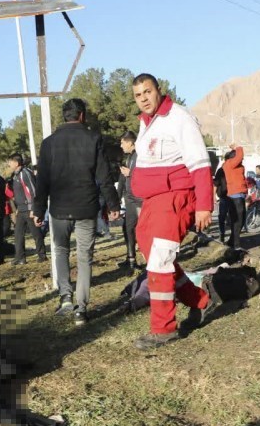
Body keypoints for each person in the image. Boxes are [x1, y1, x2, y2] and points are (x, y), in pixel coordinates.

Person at [127, 74, 218, 349]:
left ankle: (163, 328)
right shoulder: (146, 123)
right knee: (154, 257)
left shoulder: (179, 118)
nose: (143, 98)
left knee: (159, 261)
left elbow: (200, 164)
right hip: (152, 203)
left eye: (147, 91)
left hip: (175, 199)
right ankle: (202, 301)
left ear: (158, 91)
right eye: (138, 94)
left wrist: (204, 205)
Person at [32, 97, 121, 326]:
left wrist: (38, 209)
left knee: (60, 251)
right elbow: (104, 176)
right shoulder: (93, 138)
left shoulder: (49, 143)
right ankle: (81, 309)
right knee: (84, 258)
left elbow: (42, 181)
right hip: (86, 207)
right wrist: (113, 205)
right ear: (82, 116)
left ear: (66, 116)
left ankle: (65, 298)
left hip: (59, 209)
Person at [7, 153, 47, 265]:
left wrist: (33, 209)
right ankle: (20, 257)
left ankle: (42, 255)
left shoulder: (25, 173)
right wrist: (18, 207)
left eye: (10, 161)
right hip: (21, 209)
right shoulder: (15, 175)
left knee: (36, 233)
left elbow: (33, 191)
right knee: (18, 234)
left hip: (29, 209)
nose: (9, 164)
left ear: (16, 163)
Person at [117, 131, 142, 269]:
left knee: (137, 229)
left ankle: (140, 259)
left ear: (130, 142)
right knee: (127, 227)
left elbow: (147, 174)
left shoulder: (140, 156)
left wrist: (131, 173)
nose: (121, 146)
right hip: (130, 198)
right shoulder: (129, 157)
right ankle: (130, 258)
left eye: (122, 142)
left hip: (138, 199)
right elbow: (122, 178)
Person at [221, 144, 247, 250]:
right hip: (235, 197)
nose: (242, 159)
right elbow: (240, 155)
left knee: (239, 221)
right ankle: (236, 246)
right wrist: (237, 147)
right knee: (238, 222)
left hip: (238, 196)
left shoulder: (235, 166)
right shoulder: (229, 164)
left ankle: (232, 242)